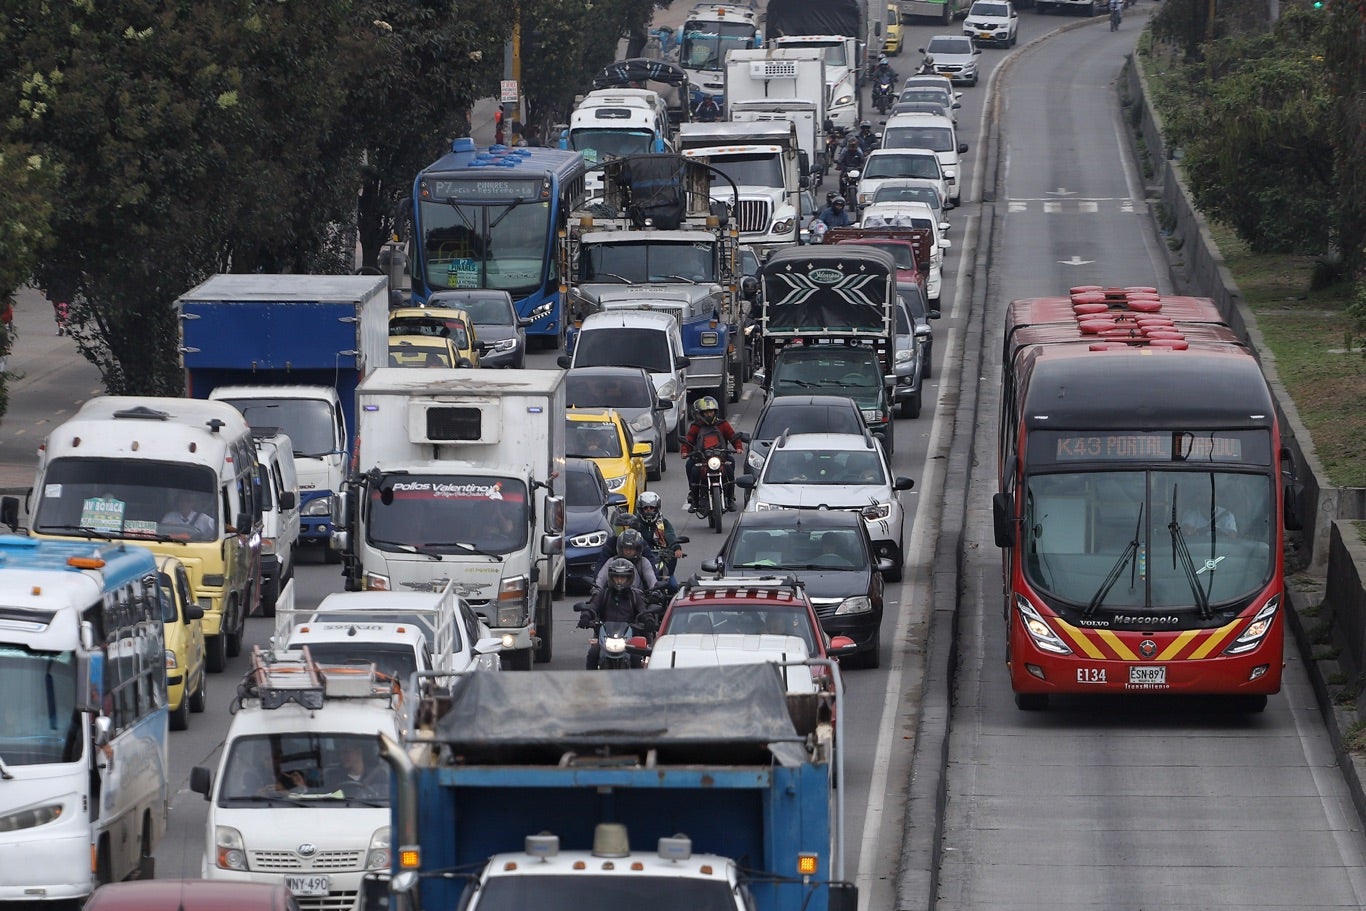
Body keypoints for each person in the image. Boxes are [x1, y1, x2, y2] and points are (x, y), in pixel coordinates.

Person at [579, 557, 651, 669]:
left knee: (636, 657)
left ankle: (637, 684)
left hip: (629, 638)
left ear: (630, 579)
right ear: (611, 578)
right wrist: (586, 617)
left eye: (623, 578)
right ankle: (591, 684)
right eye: (617, 578)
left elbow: (643, 611)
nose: (620, 581)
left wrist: (648, 620)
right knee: (593, 653)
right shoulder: (604, 594)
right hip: (605, 637)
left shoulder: (634, 596)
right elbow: (593, 607)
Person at [680, 395, 744, 512]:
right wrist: (685, 452)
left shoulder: (723, 424)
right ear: (701, 413)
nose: (709, 415)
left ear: (716, 412)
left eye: (711, 412)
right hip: (702, 458)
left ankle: (730, 498)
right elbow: (688, 440)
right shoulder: (696, 426)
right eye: (706, 412)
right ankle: (694, 499)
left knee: (730, 465)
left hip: (721, 457)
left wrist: (738, 448)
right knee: (691, 467)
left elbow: (733, 436)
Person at [631, 491, 683, 594]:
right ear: (641, 509)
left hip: (662, 560)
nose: (649, 510)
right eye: (646, 508)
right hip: (641, 560)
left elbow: (670, 535)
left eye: (651, 507)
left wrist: (676, 548)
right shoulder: (635, 523)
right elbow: (630, 537)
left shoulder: (662, 523)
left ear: (657, 508)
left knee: (673, 586)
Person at [592, 527, 658, 593]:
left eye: (631, 548)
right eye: (626, 548)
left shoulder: (643, 562)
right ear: (620, 547)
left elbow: (651, 578)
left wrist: (655, 591)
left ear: (637, 549)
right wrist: (597, 589)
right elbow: (601, 577)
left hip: (638, 598)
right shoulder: (611, 561)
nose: (628, 551)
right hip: (612, 597)